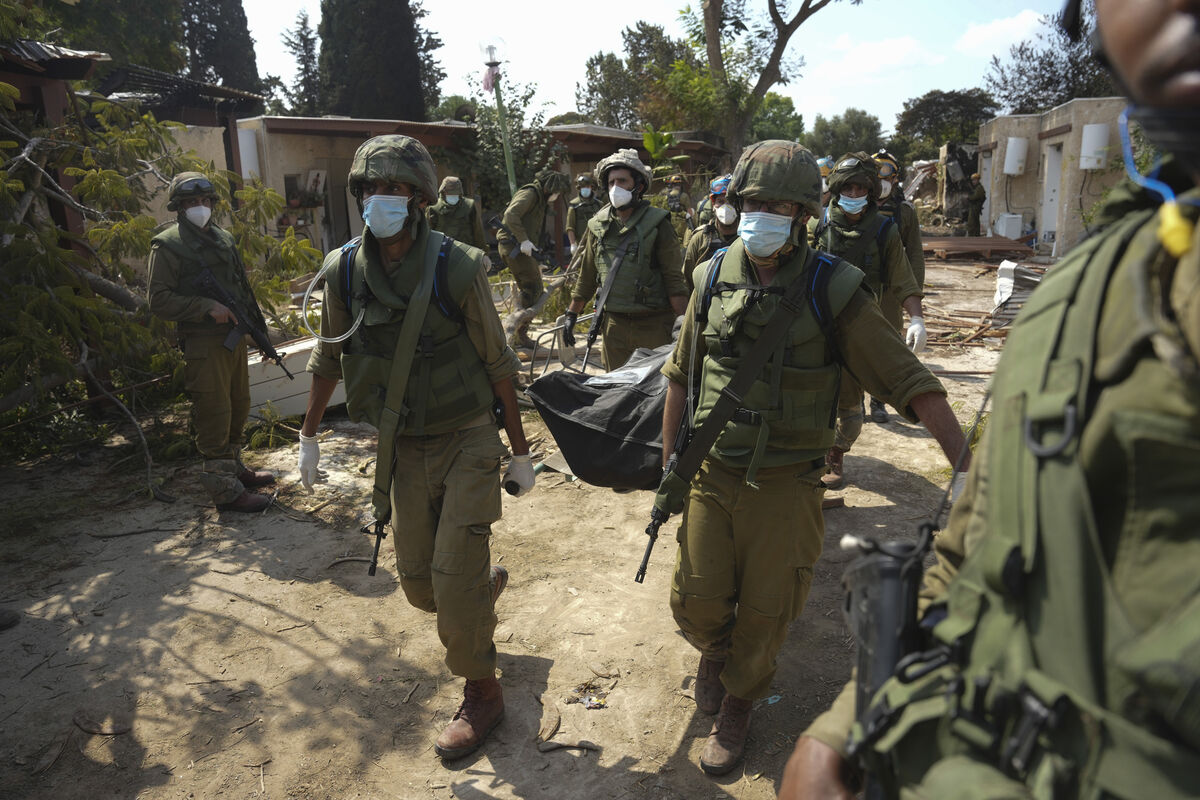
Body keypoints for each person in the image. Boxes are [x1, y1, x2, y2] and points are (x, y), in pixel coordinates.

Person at [780, 0, 1200, 795]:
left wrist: (911, 309)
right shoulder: (1084, 289)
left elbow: (903, 269)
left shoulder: (896, 225)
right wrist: (849, 724)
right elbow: (979, 548)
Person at [661, 140, 969, 777]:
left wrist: (965, 469)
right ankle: (715, 651)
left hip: (786, 482)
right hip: (712, 470)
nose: (762, 216)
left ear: (804, 214)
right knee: (697, 598)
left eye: (779, 206)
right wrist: (671, 461)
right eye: (753, 203)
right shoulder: (711, 276)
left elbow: (907, 379)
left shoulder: (833, 287)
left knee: (767, 607)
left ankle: (740, 701)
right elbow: (680, 374)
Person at [295, 135, 535, 762]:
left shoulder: (457, 267)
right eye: (373, 188)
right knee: (420, 586)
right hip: (401, 445)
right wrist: (309, 434)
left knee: (451, 579)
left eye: (396, 189)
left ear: (421, 199)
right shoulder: (345, 270)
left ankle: (483, 691)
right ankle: (477, 590)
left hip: (467, 437)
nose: (382, 199)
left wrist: (519, 451)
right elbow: (328, 356)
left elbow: (499, 363)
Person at [147, 171, 275, 513]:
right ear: (179, 207)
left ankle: (233, 470)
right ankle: (224, 492)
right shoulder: (168, 245)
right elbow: (158, 300)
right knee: (215, 412)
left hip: (232, 339)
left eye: (205, 200)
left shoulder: (223, 239)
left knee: (238, 404)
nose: (200, 207)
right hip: (203, 342)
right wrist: (205, 307)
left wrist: (257, 332)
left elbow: (242, 291)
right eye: (192, 202)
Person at [812, 152, 927, 489]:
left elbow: (903, 277)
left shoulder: (884, 230)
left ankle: (837, 451)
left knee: (850, 409)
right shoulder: (816, 225)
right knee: (808, 395)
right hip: (816, 324)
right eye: (847, 188)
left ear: (870, 191)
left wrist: (916, 318)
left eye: (860, 189)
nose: (853, 194)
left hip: (858, 326)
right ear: (836, 189)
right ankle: (808, 455)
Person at [560, 148, 688, 371]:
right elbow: (587, 277)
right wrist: (571, 314)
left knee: (652, 388)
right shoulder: (598, 226)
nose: (615, 188)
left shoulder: (658, 225)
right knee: (615, 386)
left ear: (639, 186)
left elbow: (674, 280)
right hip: (614, 328)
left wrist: (685, 324)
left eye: (622, 181)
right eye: (611, 182)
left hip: (654, 326)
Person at [870, 149, 927, 423]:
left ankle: (877, 400)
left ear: (895, 180)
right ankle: (850, 402)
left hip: (890, 291)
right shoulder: (856, 206)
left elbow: (914, 255)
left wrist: (914, 302)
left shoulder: (904, 213)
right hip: (857, 285)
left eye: (886, 177)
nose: (881, 184)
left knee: (886, 346)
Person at [497, 168, 571, 348]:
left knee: (529, 289)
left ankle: (517, 331)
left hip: (521, 249)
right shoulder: (530, 194)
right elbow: (510, 215)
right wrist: (523, 240)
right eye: (556, 191)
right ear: (549, 187)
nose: (556, 195)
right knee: (534, 288)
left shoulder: (539, 198)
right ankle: (518, 332)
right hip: (513, 247)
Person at [681, 174, 737, 294]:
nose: (726, 207)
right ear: (713, 204)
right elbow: (686, 280)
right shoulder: (700, 238)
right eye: (720, 201)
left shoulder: (747, 238)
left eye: (731, 202)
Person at [425, 176, 487, 251]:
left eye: (455, 194)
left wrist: (483, 252)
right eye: (450, 194)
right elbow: (427, 234)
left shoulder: (469, 206)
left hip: (466, 252)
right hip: (442, 252)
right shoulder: (433, 208)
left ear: (460, 193)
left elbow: (478, 232)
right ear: (443, 192)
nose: (453, 196)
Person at [566, 172, 602, 255]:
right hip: (581, 245)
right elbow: (570, 227)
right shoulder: (574, 205)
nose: (585, 189)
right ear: (579, 188)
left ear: (592, 187)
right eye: (582, 187)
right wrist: (573, 244)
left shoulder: (599, 205)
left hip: (597, 244)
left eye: (587, 187)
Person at [967, 172, 986, 236]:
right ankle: (976, 236)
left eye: (974, 180)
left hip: (975, 208)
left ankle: (972, 237)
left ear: (978, 180)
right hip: (974, 207)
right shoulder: (976, 187)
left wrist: (969, 197)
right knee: (975, 224)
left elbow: (974, 197)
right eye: (972, 180)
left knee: (971, 224)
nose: (973, 182)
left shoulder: (979, 188)